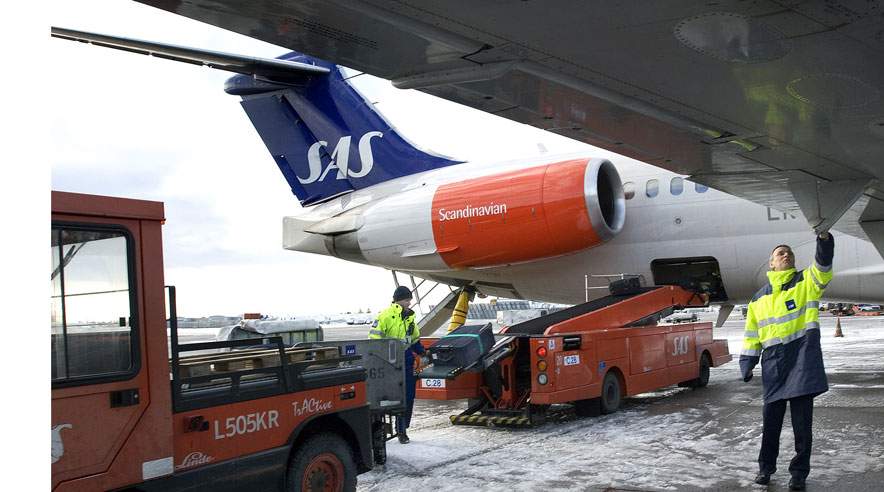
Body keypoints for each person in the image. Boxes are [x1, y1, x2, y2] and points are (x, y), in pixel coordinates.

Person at [740, 232, 834, 491]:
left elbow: (823, 268)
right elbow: (751, 335)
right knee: (770, 424)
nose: (786, 255)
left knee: (802, 426)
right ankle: (765, 469)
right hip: (774, 366)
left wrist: (824, 242)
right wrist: (747, 362)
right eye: (780, 253)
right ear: (771, 263)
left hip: (802, 361)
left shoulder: (806, 281)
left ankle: (799, 474)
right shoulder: (758, 299)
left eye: (789, 252)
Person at [369, 285, 426, 444]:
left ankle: (402, 429)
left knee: (408, 397)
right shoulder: (385, 316)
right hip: (389, 363)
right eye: (407, 300)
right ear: (398, 300)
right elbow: (374, 339)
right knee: (390, 398)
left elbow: (414, 339)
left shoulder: (410, 317)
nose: (409, 303)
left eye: (410, 300)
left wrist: (422, 351)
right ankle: (380, 432)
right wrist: (385, 356)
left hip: (406, 360)